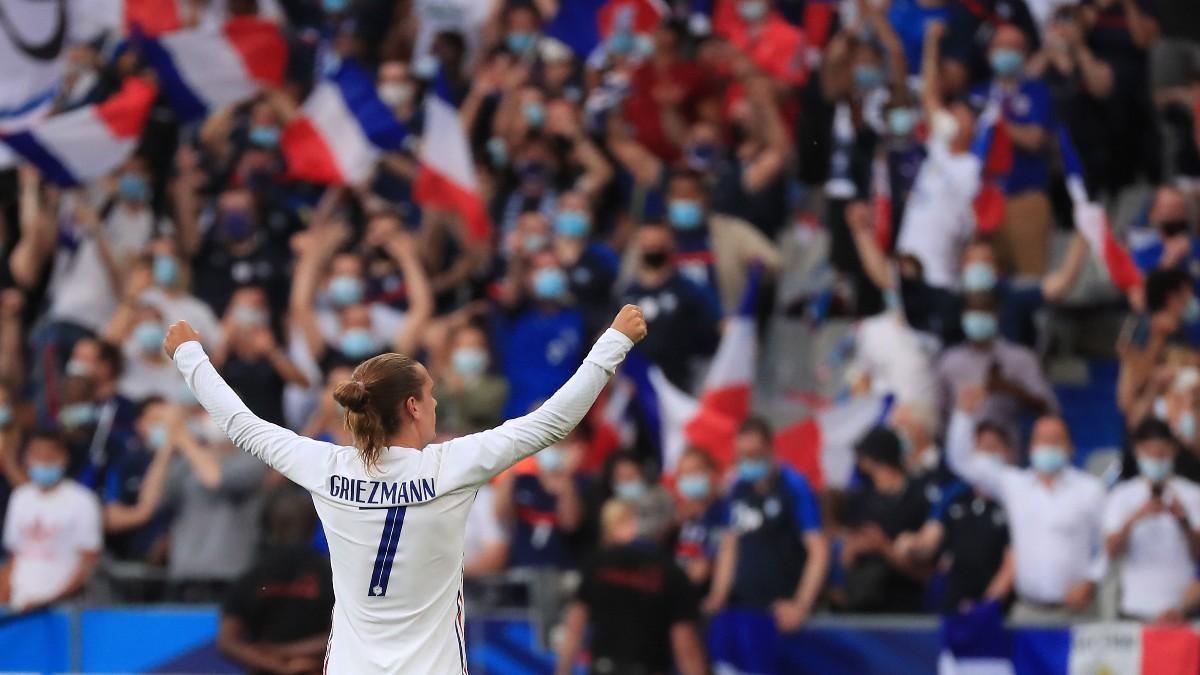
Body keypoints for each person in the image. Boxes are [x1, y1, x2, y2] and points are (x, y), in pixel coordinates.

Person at [161, 304, 647, 672]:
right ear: (413, 407)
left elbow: (242, 425)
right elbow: (551, 423)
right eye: (431, 393)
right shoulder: (452, 466)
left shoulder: (326, 467)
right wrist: (613, 344)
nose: (435, 404)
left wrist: (189, 356)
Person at [947, 387, 1106, 621]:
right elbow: (961, 461)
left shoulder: (1090, 489)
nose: (1048, 447)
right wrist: (963, 415)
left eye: (1056, 441)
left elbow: (1107, 544)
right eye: (1042, 440)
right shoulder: (1014, 485)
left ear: (1070, 448)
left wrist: (1092, 580)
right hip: (1028, 610)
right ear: (1031, 448)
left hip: (1077, 611)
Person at [555, 499, 708, 675]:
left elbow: (575, 625)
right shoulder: (673, 574)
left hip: (604, 667)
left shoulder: (599, 563)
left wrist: (562, 670)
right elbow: (686, 646)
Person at [704, 418, 828, 628]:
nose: (747, 461)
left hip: (782, 611)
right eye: (741, 455)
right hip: (742, 607)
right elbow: (729, 546)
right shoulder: (737, 488)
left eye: (754, 454)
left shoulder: (793, 486)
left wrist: (801, 604)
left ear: (770, 448)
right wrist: (718, 596)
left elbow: (818, 549)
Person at [895, 420, 1016, 612]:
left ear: (1009, 453)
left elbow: (1013, 560)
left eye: (992, 448)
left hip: (998, 608)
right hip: (955, 604)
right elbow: (929, 540)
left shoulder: (1016, 498)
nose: (985, 456)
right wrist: (912, 544)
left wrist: (985, 607)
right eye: (980, 448)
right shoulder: (955, 495)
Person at [218, 486, 335, 675]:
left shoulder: (251, 574)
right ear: (314, 524)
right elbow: (340, 635)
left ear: (271, 525)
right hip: (311, 667)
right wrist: (291, 662)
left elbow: (228, 641)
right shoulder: (331, 573)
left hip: (269, 666)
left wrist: (276, 661)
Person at [1103, 418, 1200, 622]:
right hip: (1135, 609)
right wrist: (1135, 518)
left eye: (1162, 452)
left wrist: (1184, 521)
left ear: (1173, 451)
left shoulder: (1192, 494)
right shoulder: (1122, 495)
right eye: (1150, 452)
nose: (1156, 458)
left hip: (1181, 612)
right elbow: (1110, 550)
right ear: (1138, 452)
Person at [0, 431, 102, 611]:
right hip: (20, 606)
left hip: (63, 609)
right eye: (37, 454)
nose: (43, 460)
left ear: (63, 458)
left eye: (49, 455)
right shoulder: (20, 497)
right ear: (27, 458)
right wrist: (4, 601)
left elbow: (88, 564)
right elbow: (14, 557)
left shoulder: (82, 500)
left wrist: (49, 602)